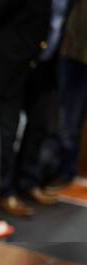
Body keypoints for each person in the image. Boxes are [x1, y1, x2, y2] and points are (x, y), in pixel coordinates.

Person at [0, 0, 71, 217]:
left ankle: (28, 182)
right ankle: (3, 192)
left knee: (41, 125)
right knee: (6, 132)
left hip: (44, 67)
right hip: (10, 64)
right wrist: (1, 48)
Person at [47, 0, 87, 190]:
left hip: (77, 57)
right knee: (66, 120)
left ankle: (65, 170)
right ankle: (64, 170)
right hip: (71, 55)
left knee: (69, 119)